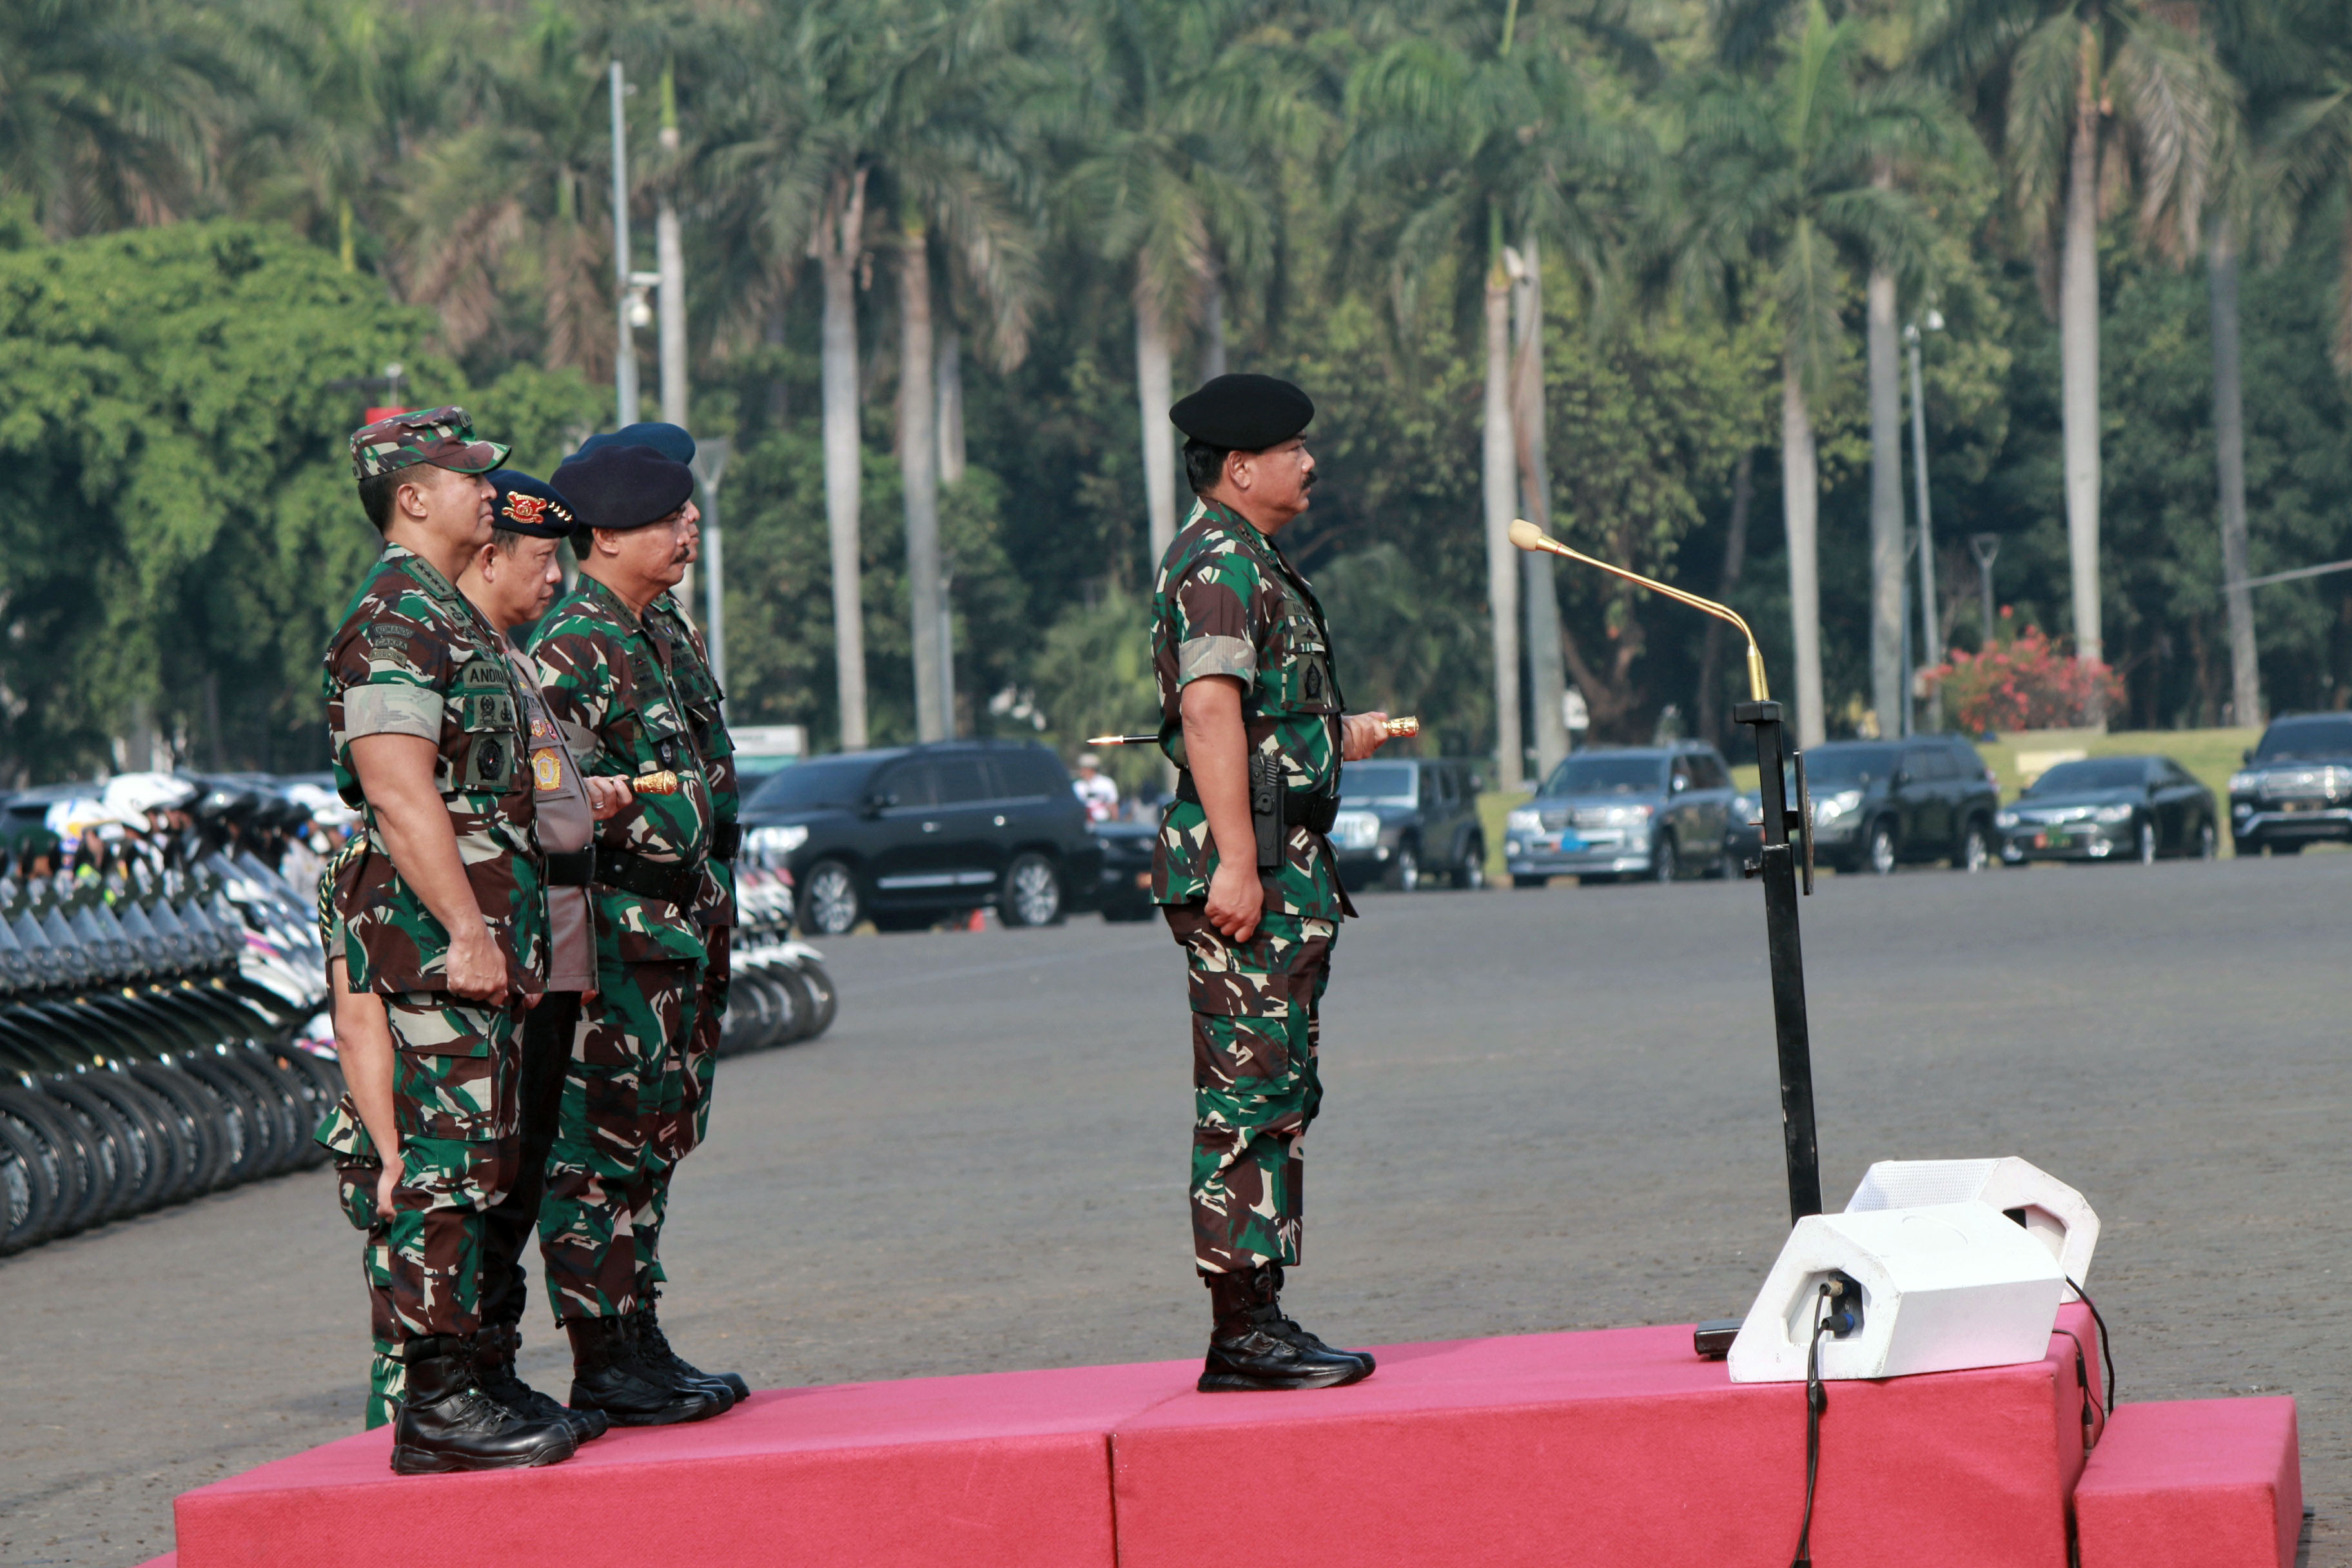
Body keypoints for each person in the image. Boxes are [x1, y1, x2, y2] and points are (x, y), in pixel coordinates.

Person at [320, 406, 575, 1473]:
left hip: (484, 937)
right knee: (448, 1167)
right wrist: (468, 931)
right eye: (469, 477)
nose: (488, 490)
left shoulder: (447, 614)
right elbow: (397, 789)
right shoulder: (393, 619)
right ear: (412, 497)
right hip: (433, 942)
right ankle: (434, 1399)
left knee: (491, 1159)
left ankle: (476, 1371)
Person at [1150, 373, 1395, 1393]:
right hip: (1249, 861)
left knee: (1278, 1089)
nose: (1310, 463)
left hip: (1282, 856)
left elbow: (1263, 721)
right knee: (1249, 1096)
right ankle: (1241, 1333)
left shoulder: (1249, 557)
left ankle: (1259, 1315)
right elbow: (1209, 713)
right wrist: (1240, 863)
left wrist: (1335, 740)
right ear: (1240, 468)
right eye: (1293, 450)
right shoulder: (1218, 563)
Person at [530, 440, 739, 1424]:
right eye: (664, 520)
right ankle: (603, 1355)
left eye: (685, 515)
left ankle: (639, 1335)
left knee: (655, 1139)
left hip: (679, 928)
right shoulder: (575, 645)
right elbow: (552, 806)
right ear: (606, 537)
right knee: (597, 1148)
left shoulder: (655, 630)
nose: (686, 530)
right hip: (617, 934)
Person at [456, 471, 633, 1434]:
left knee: (519, 1176)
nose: (557, 577)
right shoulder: (470, 661)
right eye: (541, 558)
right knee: (485, 1180)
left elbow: (546, 795)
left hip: (551, 949)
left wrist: (580, 801)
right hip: (507, 955)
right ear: (491, 558)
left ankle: (497, 1371)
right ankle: (464, 1380)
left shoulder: (512, 660)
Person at [1072, 752, 1120, 823]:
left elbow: (1113, 805)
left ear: (1091, 769)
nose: (1081, 771)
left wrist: (1115, 823)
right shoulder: (1077, 786)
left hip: (1103, 822)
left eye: (1084, 768)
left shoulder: (1107, 783)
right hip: (1083, 822)